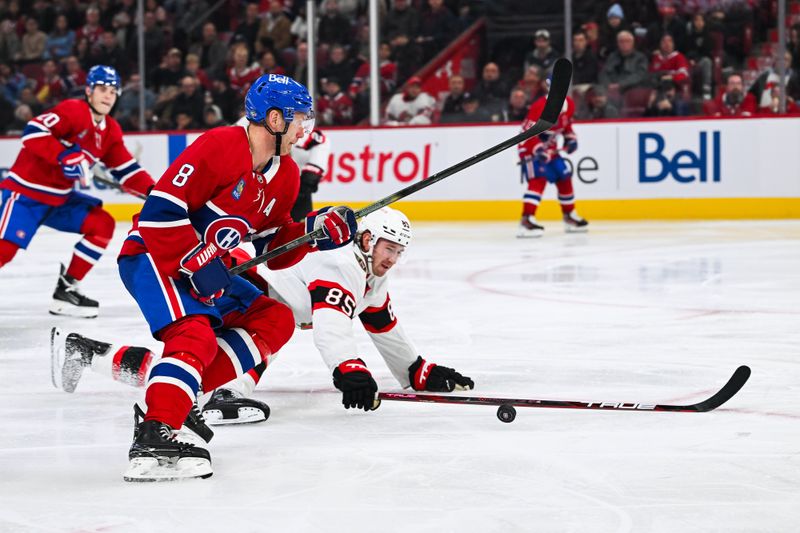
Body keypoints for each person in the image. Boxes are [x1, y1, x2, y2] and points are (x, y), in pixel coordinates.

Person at [115, 73, 357, 482]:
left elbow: (272, 251)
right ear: (274, 119)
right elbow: (159, 213)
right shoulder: (221, 145)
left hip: (210, 270)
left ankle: (175, 401)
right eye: (299, 119)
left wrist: (314, 232)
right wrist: (193, 263)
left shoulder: (287, 176)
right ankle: (156, 434)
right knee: (195, 335)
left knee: (275, 319)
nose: (304, 129)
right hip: (154, 253)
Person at [52, 208, 474, 425]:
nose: (392, 259)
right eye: (388, 248)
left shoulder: (370, 274)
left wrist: (417, 370)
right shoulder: (342, 263)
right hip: (244, 287)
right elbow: (330, 324)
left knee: (192, 370)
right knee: (227, 354)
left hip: (267, 299)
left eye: (399, 253)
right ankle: (225, 391)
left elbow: (381, 323)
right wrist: (349, 369)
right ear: (366, 239)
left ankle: (88, 353)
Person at [0, 65, 154, 317]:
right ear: (89, 91)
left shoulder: (110, 131)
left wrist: (155, 190)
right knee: (4, 251)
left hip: (59, 200)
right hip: (25, 195)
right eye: (102, 89)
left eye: (113, 92)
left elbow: (127, 171)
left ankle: (66, 289)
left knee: (102, 224)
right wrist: (63, 155)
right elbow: (33, 132)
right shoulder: (73, 110)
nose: (108, 96)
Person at [517, 77, 588, 238]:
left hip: (551, 149)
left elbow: (566, 125)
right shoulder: (539, 106)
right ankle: (526, 219)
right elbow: (527, 134)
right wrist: (538, 149)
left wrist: (571, 139)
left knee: (564, 176)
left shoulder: (569, 104)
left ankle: (569, 215)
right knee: (538, 179)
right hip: (529, 149)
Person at [290, 128, 331, 222]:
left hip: (298, 192)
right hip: (272, 189)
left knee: (300, 230)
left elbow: (321, 141)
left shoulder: (295, 132)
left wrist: (308, 180)